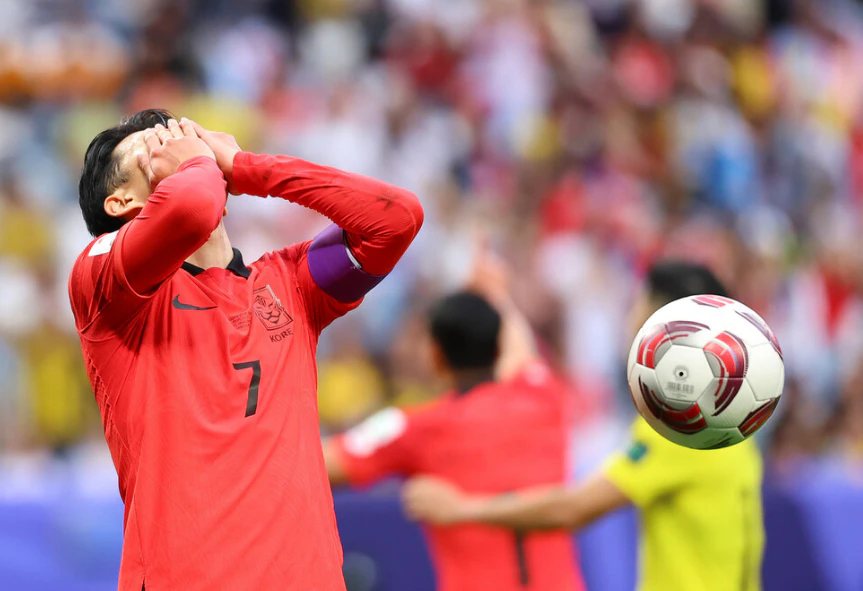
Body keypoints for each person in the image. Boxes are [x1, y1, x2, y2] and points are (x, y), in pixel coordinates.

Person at [68, 109, 423, 590]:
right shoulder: (103, 283)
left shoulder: (292, 283)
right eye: (152, 148)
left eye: (184, 135)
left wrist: (245, 166)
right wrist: (198, 166)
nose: (179, 143)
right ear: (120, 202)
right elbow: (192, 207)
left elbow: (397, 219)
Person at [404, 261, 765, 591]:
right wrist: (499, 299)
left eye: (637, 304)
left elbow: (573, 509)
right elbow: (525, 367)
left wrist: (461, 509)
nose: (629, 318)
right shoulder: (726, 418)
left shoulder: (683, 430)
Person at [322, 248, 586, 591]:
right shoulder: (543, 394)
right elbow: (519, 349)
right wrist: (495, 292)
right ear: (497, 347)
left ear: (436, 355)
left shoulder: (414, 427)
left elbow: (318, 464)